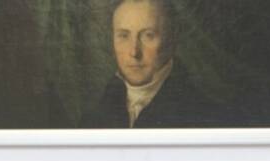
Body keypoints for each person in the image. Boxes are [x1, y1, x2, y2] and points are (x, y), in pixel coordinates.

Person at [80, 0, 227, 128]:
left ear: (171, 38)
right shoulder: (94, 117)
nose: (134, 52)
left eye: (148, 35)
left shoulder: (204, 115)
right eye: (123, 36)